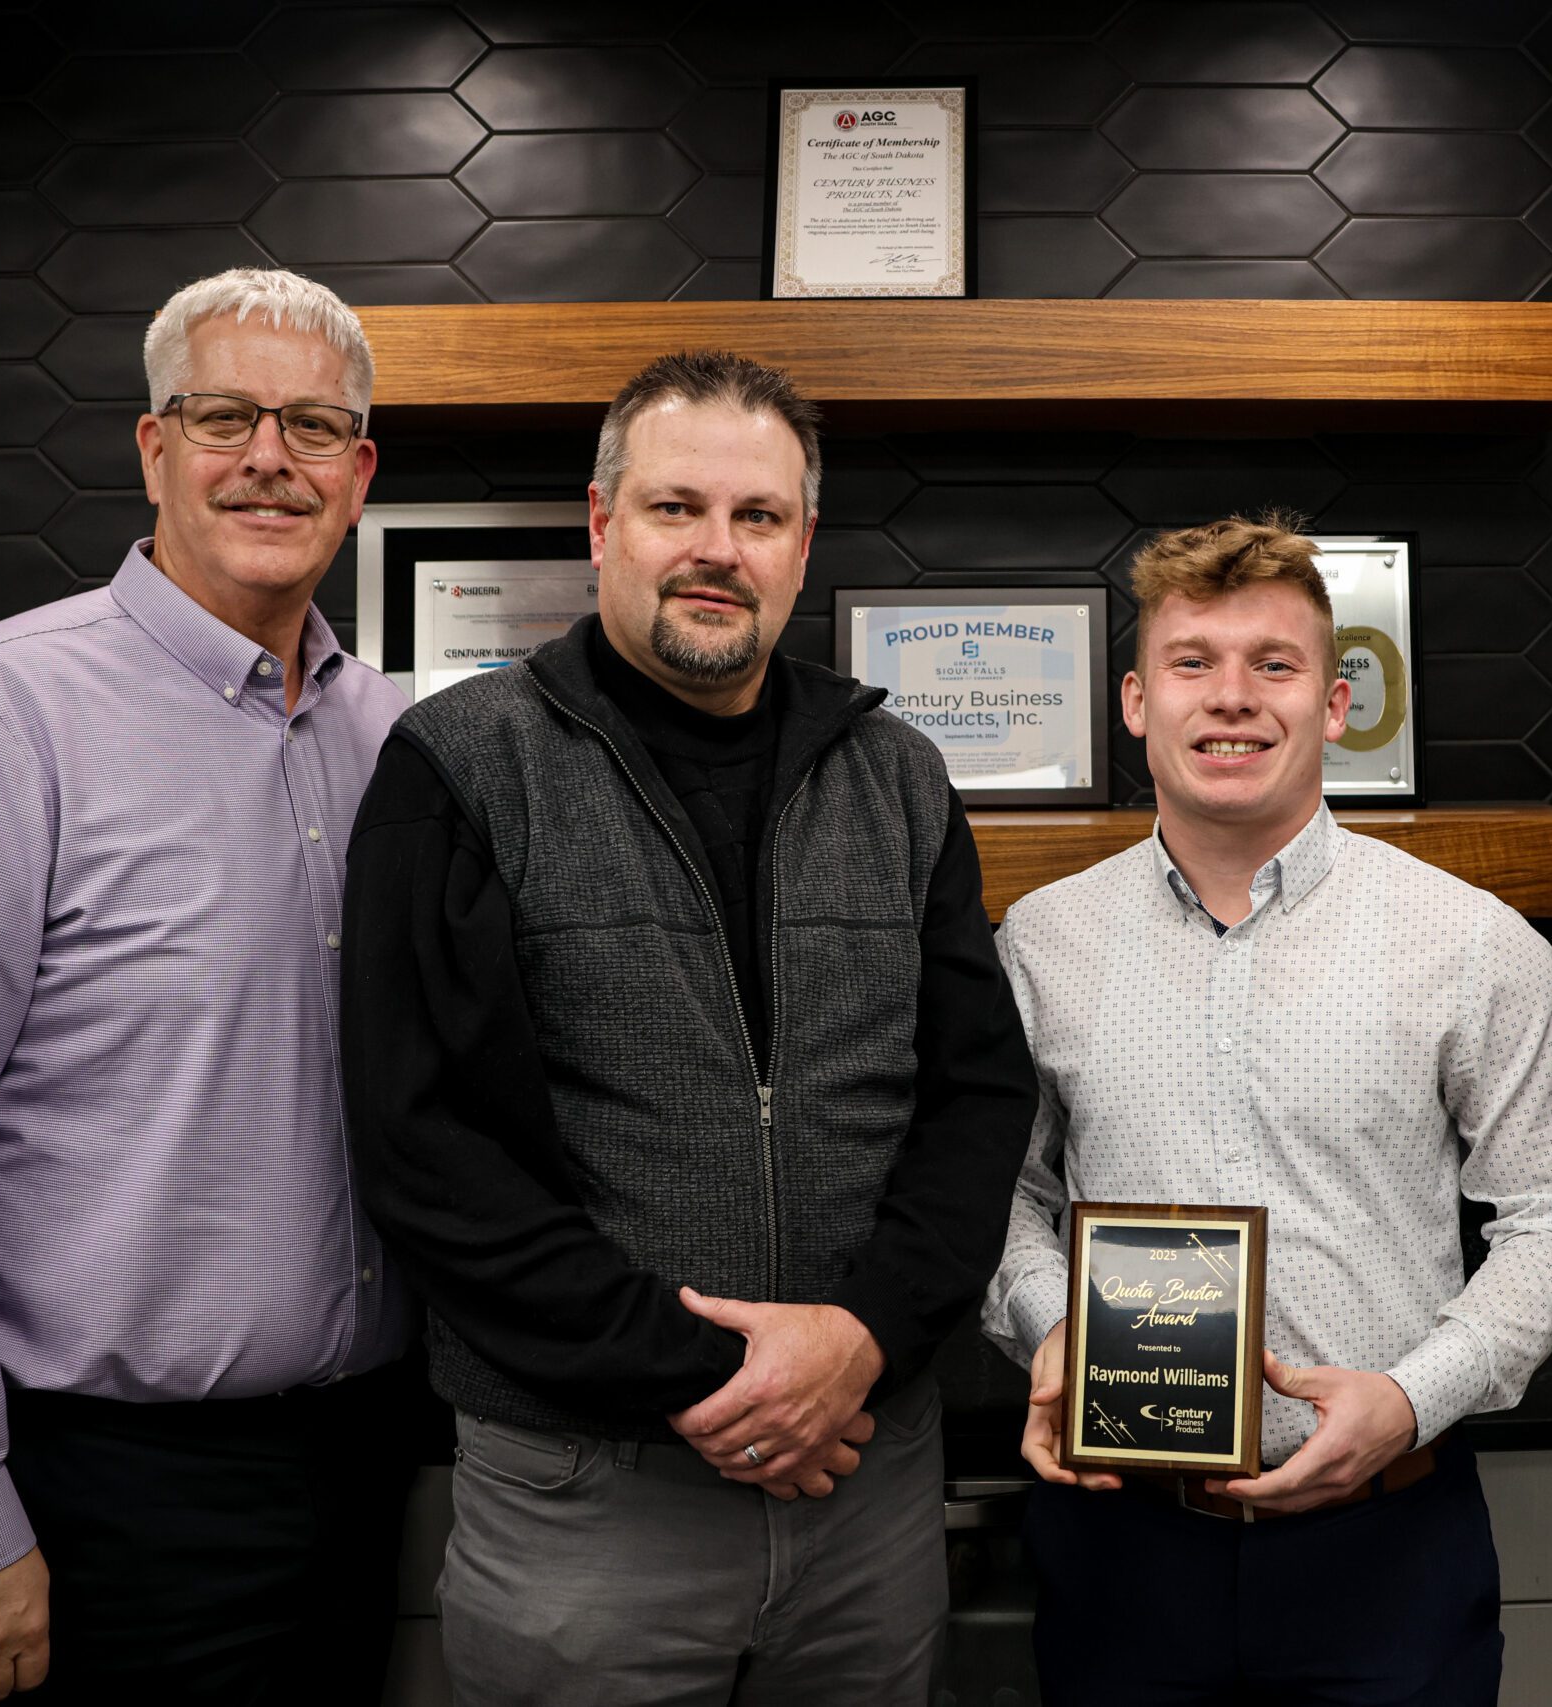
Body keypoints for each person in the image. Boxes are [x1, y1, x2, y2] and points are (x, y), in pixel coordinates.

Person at [341, 349, 1037, 1706]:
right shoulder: (460, 768)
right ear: (602, 523)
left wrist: (858, 1340)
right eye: (677, 507)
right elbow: (425, 1149)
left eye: (758, 515)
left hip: (865, 1483)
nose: (718, 548)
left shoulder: (899, 776)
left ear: (802, 545)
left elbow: (975, 1100)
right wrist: (718, 1375)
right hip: (585, 1496)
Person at [0, 267, 417, 1704]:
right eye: (224, 416)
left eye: (315, 426)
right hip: (113, 1493)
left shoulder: (390, 736)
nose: (270, 457)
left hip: (363, 1456)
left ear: (359, 471)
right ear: (153, 447)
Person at [981, 516, 1552, 1706]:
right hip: (1122, 1545)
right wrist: (1050, 1325)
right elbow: (998, 1195)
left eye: (1272, 665)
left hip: (1387, 1551)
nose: (1232, 697)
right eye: (1192, 662)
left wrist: (1412, 1400)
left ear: (1333, 705)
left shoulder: (1469, 942)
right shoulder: (1042, 941)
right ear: (1135, 702)